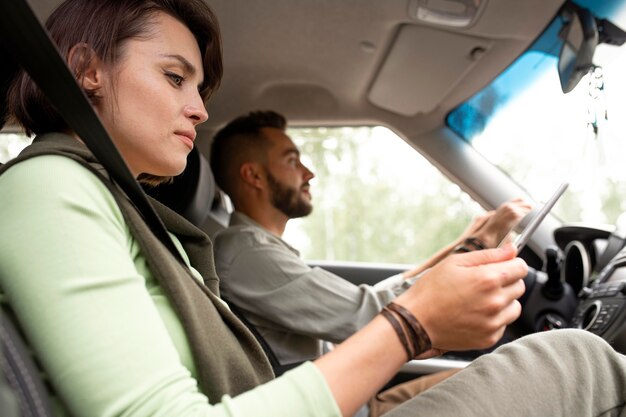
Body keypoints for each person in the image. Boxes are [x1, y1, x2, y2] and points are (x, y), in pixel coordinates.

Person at [1, 1, 626, 417]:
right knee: (575, 358)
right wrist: (412, 325)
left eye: (199, 88)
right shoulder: (51, 186)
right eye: (174, 77)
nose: (199, 110)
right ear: (87, 72)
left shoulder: (125, 210)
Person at [210, 110, 532, 369]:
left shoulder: (257, 248)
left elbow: (368, 300)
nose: (308, 173)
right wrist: (476, 247)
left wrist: (462, 244)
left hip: (355, 397)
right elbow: (371, 315)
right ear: (253, 176)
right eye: (292, 161)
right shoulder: (248, 253)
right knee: (522, 373)